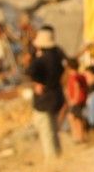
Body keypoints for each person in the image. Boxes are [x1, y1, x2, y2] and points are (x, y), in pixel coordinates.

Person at [26, 27, 67, 159]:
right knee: (53, 131)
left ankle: (53, 162)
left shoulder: (43, 59)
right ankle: (58, 157)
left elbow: (30, 71)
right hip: (56, 96)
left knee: (47, 133)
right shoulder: (58, 56)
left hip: (44, 99)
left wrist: (38, 83)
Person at [63, 57, 89, 143]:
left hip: (77, 101)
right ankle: (79, 136)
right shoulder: (81, 76)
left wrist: (74, 99)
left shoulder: (74, 76)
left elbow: (76, 86)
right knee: (76, 118)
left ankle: (78, 137)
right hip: (81, 100)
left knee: (74, 118)